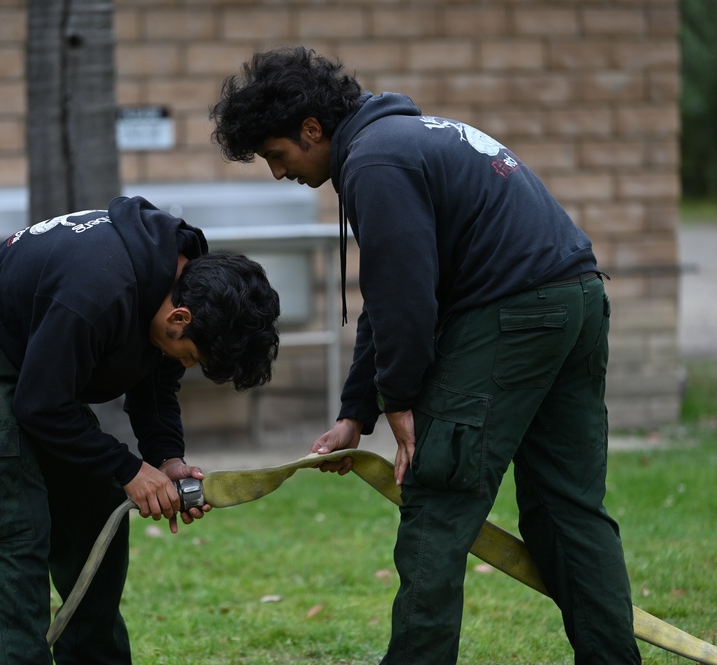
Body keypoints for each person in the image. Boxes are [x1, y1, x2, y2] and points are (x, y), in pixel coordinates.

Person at [210, 46, 641, 664]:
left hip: (513, 315)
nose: (279, 172)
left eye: (278, 155)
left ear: (312, 130)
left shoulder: (376, 163)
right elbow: (389, 295)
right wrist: (356, 412)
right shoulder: (403, 139)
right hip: (576, 302)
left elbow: (407, 298)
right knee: (567, 509)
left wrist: (402, 402)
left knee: (436, 506)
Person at [0, 195, 280, 664]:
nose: (182, 364)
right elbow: (42, 407)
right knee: (9, 516)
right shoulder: (98, 289)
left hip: (31, 364)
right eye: (188, 357)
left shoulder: (186, 284)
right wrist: (130, 470)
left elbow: (156, 380)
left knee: (94, 503)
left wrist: (167, 459)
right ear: (178, 319)